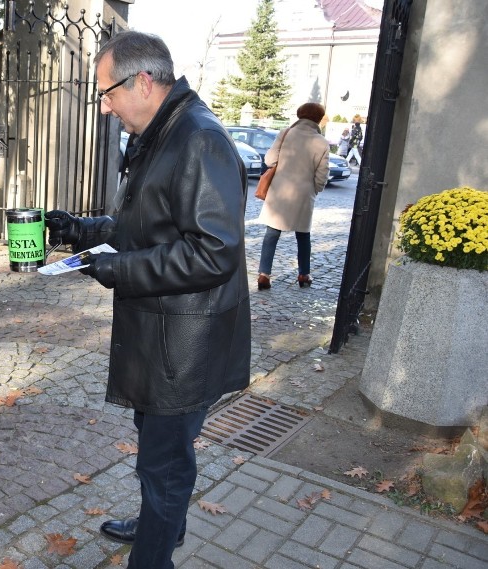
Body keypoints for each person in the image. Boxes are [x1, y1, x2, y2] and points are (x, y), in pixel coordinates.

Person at [45, 31, 250, 569]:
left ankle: (154, 553)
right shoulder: (164, 133)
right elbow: (149, 226)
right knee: (156, 452)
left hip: (185, 343)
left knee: (166, 464)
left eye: (107, 92)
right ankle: (162, 526)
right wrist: (83, 231)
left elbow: (213, 252)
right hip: (160, 334)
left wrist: (118, 269)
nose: (105, 106)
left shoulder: (199, 139)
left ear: (143, 81)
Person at [256, 102, 330, 290]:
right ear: (318, 119)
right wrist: (315, 189)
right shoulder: (322, 143)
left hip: (280, 190)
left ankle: (264, 274)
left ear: (300, 115)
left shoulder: (286, 133)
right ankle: (304, 274)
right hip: (304, 193)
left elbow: (270, 160)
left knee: (272, 233)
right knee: (303, 235)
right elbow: (322, 175)